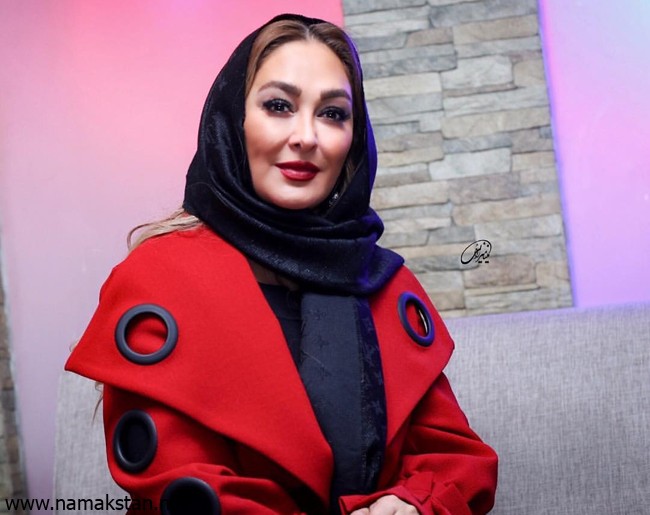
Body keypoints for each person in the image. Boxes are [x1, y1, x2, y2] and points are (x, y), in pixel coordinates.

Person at [65, 13, 498, 515]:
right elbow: (184, 484)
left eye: (332, 113)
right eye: (278, 106)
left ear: (354, 138)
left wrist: (412, 504)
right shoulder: (159, 278)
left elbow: (453, 457)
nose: (306, 136)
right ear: (233, 121)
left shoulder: (380, 280)